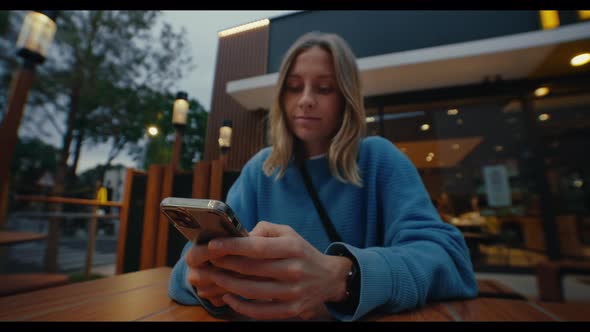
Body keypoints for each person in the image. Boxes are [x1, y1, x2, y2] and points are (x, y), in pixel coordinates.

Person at [168, 32, 478, 321]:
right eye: (293, 86)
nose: (305, 99)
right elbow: (184, 272)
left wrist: (344, 278)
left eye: (324, 88)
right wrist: (204, 282)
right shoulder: (260, 170)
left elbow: (449, 260)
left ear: (346, 96)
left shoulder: (378, 159)